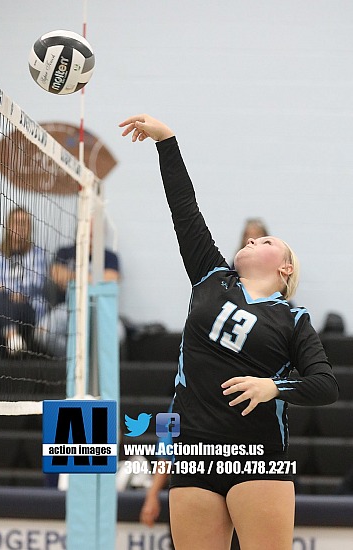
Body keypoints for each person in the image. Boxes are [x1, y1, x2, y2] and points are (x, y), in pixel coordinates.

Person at [119, 114, 339, 550]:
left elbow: (325, 385)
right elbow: (185, 210)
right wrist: (167, 140)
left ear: (285, 268)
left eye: (268, 242)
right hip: (195, 452)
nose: (255, 242)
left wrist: (272, 387)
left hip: (257, 455)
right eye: (253, 240)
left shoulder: (292, 319)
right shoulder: (211, 276)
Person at [34, 219, 120, 357]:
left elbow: (111, 279)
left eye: (94, 230)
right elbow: (57, 275)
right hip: (68, 308)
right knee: (42, 332)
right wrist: (93, 279)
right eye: (88, 229)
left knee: (118, 334)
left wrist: (73, 277)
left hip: (100, 309)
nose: (90, 233)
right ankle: (75, 359)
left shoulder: (110, 257)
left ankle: (91, 364)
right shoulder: (65, 252)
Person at [0, 207, 47, 356]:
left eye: (24, 223)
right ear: (8, 226)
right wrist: (5, 293)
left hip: (26, 308)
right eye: (16, 222)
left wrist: (10, 292)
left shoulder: (37, 254)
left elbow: (37, 285)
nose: (20, 226)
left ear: (29, 228)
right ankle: (11, 339)